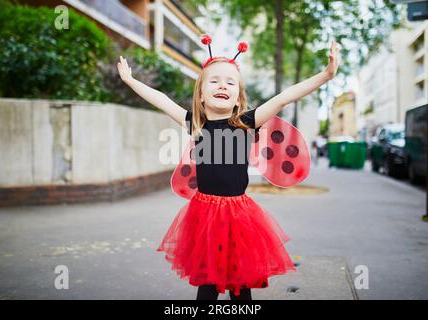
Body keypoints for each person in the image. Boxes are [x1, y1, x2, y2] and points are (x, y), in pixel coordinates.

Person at [117, 34, 340, 300]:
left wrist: (326, 75)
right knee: (207, 285)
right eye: (214, 80)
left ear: (237, 98)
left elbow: (283, 98)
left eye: (230, 82)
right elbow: (162, 100)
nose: (222, 85)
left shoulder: (245, 122)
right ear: (201, 95)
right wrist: (131, 81)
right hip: (203, 215)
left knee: (239, 284)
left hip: (239, 217)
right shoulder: (195, 124)